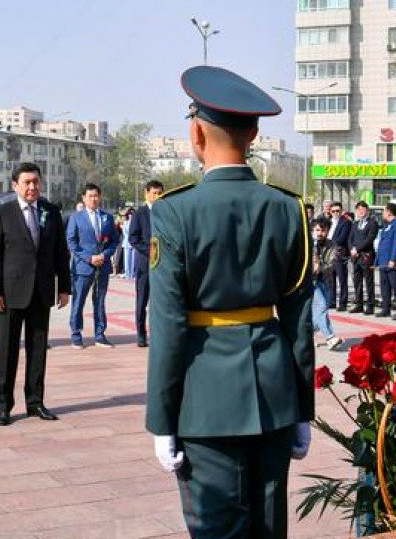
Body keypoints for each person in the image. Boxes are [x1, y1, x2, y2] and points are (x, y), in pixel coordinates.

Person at [147, 66, 314, 538]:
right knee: (268, 530)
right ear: (255, 133)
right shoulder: (289, 208)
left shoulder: (174, 211)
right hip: (274, 395)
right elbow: (299, 321)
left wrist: (162, 420)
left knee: (218, 530)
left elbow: (168, 324)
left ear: (196, 132)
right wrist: (303, 409)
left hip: (205, 400)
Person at [0, 162, 71, 426]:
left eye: (36, 181)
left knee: (38, 351)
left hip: (42, 292)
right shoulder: (3, 212)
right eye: (27, 182)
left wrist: (65, 287)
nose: (32, 187)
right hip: (11, 293)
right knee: (8, 352)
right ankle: (4, 406)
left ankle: (35, 402)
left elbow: (60, 252)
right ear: (15, 186)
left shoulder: (51, 211)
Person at [66, 183, 120, 348]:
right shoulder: (76, 217)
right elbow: (72, 242)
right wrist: (89, 258)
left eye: (96, 196)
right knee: (79, 302)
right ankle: (76, 334)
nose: (93, 199)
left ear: (100, 197)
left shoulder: (107, 217)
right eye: (90, 196)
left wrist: (104, 255)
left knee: (100, 301)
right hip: (83, 268)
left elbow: (114, 241)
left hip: (102, 266)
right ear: (84, 198)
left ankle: (100, 334)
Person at [129, 180, 164, 348]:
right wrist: (151, 251)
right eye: (154, 193)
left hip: (163, 266)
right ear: (146, 193)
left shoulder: (166, 213)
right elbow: (133, 238)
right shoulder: (139, 214)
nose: (157, 196)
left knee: (161, 302)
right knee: (142, 301)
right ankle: (141, 335)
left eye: (160, 193)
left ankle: (158, 334)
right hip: (145, 265)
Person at [312, 216, 343, 349]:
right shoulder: (308, 244)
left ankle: (307, 335)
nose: (320, 233)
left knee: (319, 311)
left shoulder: (332, 245)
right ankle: (330, 337)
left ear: (328, 231)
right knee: (322, 306)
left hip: (325, 280)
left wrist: (319, 267)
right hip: (310, 282)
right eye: (317, 230)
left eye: (323, 230)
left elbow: (331, 264)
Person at [376, 202, 396, 320]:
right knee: (384, 286)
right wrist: (377, 261)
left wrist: (393, 259)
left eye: (384, 210)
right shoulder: (387, 225)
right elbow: (382, 244)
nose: (383, 213)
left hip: (393, 262)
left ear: (389, 211)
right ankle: (386, 308)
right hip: (383, 262)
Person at [348, 200, 379, 315]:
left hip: (367, 256)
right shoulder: (355, 224)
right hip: (355, 257)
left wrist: (358, 249)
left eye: (363, 209)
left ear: (367, 211)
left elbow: (370, 239)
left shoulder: (372, 223)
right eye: (359, 209)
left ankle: (370, 306)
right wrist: (352, 249)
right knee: (357, 281)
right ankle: (359, 304)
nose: (361, 211)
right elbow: (350, 238)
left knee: (369, 282)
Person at [327, 201, 351, 310]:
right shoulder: (328, 222)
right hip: (328, 255)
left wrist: (328, 244)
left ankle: (343, 303)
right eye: (333, 211)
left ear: (341, 211)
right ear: (330, 212)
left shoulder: (345, 222)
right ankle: (332, 301)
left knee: (342, 279)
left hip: (339, 253)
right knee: (330, 279)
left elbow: (342, 238)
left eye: (338, 211)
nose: (335, 213)